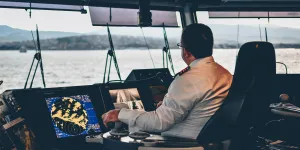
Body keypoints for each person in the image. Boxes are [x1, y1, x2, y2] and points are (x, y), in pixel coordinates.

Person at [102, 23, 233, 139]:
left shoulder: (187, 79)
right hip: (210, 139)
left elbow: (160, 122)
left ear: (186, 52)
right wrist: (167, 106)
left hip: (184, 143)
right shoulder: (225, 74)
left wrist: (120, 114)